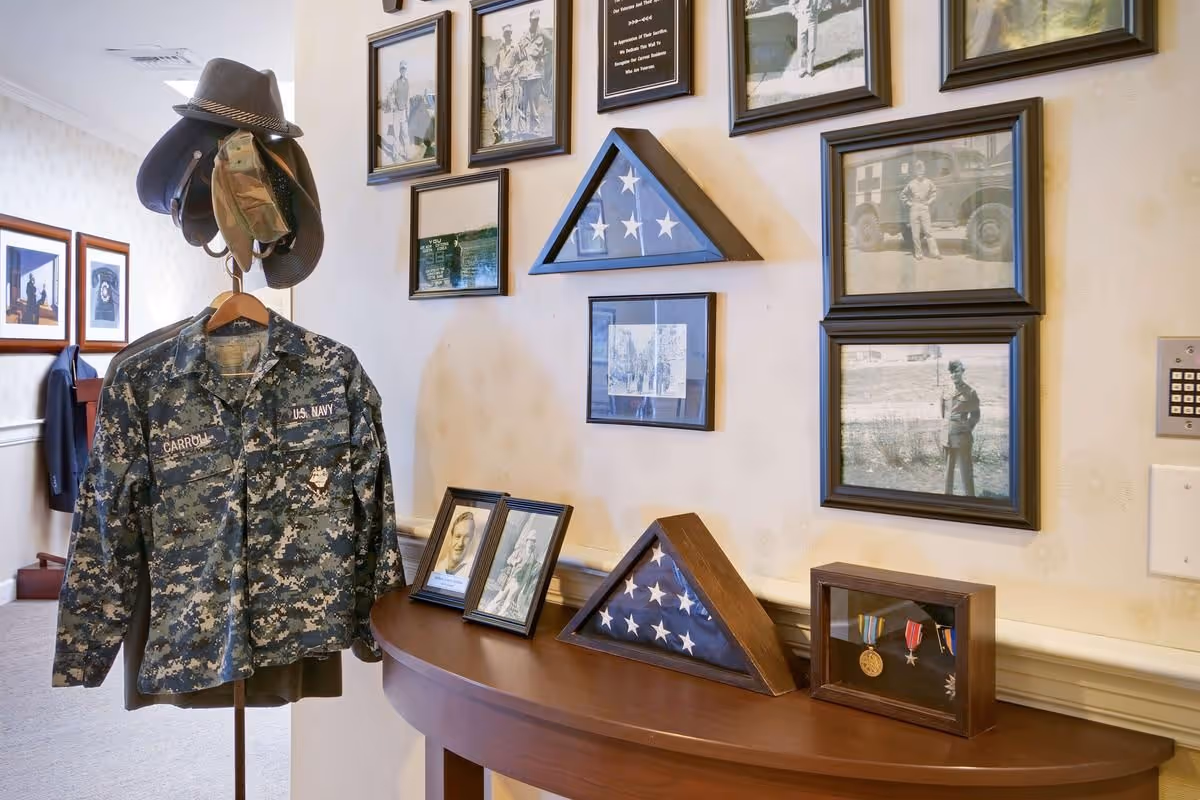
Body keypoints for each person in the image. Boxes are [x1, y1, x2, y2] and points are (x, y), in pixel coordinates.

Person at [481, 519, 542, 619]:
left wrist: (524, 585)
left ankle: (500, 617)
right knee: (500, 596)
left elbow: (530, 571)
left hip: (519, 583)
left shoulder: (533, 556)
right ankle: (488, 611)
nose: (531, 543)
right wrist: (515, 562)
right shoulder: (519, 551)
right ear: (527, 541)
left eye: (533, 541)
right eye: (530, 540)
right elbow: (509, 559)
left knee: (509, 600)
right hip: (511, 579)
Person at [942, 360, 980, 496]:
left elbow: (975, 415)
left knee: (966, 472)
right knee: (948, 472)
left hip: (963, 438)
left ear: (962, 371)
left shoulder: (970, 392)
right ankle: (947, 500)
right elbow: (943, 413)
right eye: (951, 372)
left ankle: (970, 501)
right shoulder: (945, 390)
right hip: (947, 437)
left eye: (957, 371)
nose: (954, 375)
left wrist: (966, 427)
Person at [516, 8, 549, 136]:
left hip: (535, 74)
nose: (535, 22)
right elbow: (519, 54)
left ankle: (534, 129)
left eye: (537, 20)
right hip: (524, 75)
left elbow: (545, 51)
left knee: (535, 103)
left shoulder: (542, 35)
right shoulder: (523, 36)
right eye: (534, 19)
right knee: (522, 102)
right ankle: (522, 130)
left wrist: (540, 58)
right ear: (530, 20)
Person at [900, 160, 941, 261]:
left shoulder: (929, 182)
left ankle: (935, 253)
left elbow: (934, 192)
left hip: (924, 208)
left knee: (928, 232)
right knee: (915, 234)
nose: (920, 172)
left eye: (922, 170)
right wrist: (909, 203)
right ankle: (919, 254)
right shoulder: (911, 183)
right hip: (914, 209)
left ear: (924, 170)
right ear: (915, 172)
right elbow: (902, 195)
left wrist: (929, 202)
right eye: (918, 170)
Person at [493, 23, 521, 142]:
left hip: (510, 82)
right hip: (500, 82)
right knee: (499, 108)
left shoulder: (515, 47)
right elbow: (495, 65)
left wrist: (514, 74)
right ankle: (500, 131)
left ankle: (511, 132)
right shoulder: (500, 48)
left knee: (510, 108)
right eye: (505, 33)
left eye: (509, 32)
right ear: (503, 34)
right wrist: (496, 75)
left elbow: (520, 63)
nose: (507, 35)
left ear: (511, 33)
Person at [434, 511, 479, 578]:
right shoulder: (439, 565)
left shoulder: (475, 569)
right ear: (451, 537)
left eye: (466, 537)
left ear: (471, 539)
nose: (460, 543)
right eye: (458, 536)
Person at [382, 60, 411, 163]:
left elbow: (407, 98)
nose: (403, 71)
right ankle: (395, 155)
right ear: (399, 70)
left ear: (406, 70)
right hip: (397, 113)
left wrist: (408, 111)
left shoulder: (407, 82)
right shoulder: (396, 82)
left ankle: (407, 154)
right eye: (402, 69)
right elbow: (390, 94)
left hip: (404, 113)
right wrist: (392, 105)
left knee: (406, 134)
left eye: (405, 69)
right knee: (396, 134)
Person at [790, 0, 819, 78]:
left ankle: (810, 69)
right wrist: (796, 14)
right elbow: (791, 2)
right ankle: (802, 69)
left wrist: (818, 10)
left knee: (812, 44)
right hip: (802, 16)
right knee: (801, 45)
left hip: (813, 17)